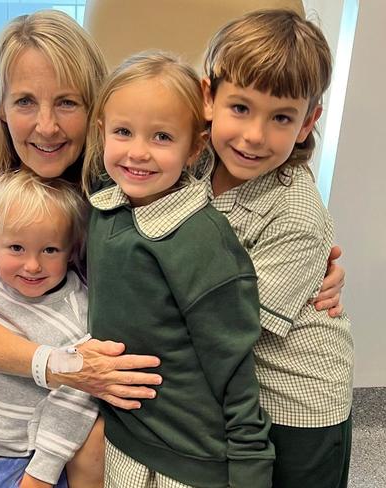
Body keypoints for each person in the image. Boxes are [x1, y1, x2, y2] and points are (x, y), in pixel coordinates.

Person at [0, 11, 162, 488]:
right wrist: (63, 369)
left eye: (66, 102)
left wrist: (311, 265)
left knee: (98, 451)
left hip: (77, 334)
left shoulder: (115, 172)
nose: (46, 126)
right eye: (25, 101)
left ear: (96, 110)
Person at [83, 51, 274, 488]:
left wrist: (250, 466)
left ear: (194, 148)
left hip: (189, 458)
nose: (138, 152)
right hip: (124, 439)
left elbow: (233, 361)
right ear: (102, 133)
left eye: (162, 137)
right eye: (123, 132)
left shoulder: (202, 238)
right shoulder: (104, 207)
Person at [202, 9, 354, 488]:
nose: (254, 136)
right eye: (241, 108)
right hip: (238, 394)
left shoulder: (296, 212)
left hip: (299, 406)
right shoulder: (193, 163)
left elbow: (231, 323)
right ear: (209, 97)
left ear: (308, 121)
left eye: (281, 117)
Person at [0, 170, 97, 488]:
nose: (33, 265)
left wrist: (41, 474)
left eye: (50, 250)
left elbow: (78, 398)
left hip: (31, 465)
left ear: (71, 249)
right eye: (16, 248)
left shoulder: (76, 315)